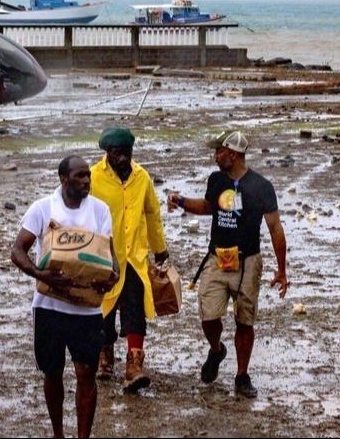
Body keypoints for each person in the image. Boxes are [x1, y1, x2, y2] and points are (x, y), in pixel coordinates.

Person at [166, 130, 288, 399]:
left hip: (248, 262)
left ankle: (242, 376)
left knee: (245, 321)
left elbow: (275, 228)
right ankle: (217, 349)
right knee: (208, 316)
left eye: (219, 151)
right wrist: (182, 201)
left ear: (232, 154)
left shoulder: (261, 187)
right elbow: (209, 207)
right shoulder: (217, 179)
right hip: (217, 258)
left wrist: (282, 270)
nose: (215, 156)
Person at [11, 156, 119, 438]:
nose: (86, 181)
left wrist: (112, 276)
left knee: (86, 374)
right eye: (80, 176)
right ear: (63, 179)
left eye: (88, 176)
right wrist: (40, 274)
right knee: (53, 373)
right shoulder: (43, 208)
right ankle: (58, 433)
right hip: (49, 309)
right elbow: (17, 251)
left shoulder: (100, 210)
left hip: (88, 312)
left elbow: (111, 257)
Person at [89, 127, 169, 392]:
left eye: (127, 153)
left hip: (134, 257)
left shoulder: (142, 177)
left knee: (134, 309)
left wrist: (160, 250)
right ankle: (105, 356)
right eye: (116, 154)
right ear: (106, 153)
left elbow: (152, 214)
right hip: (102, 256)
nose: (123, 159)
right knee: (104, 310)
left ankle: (134, 366)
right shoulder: (92, 177)